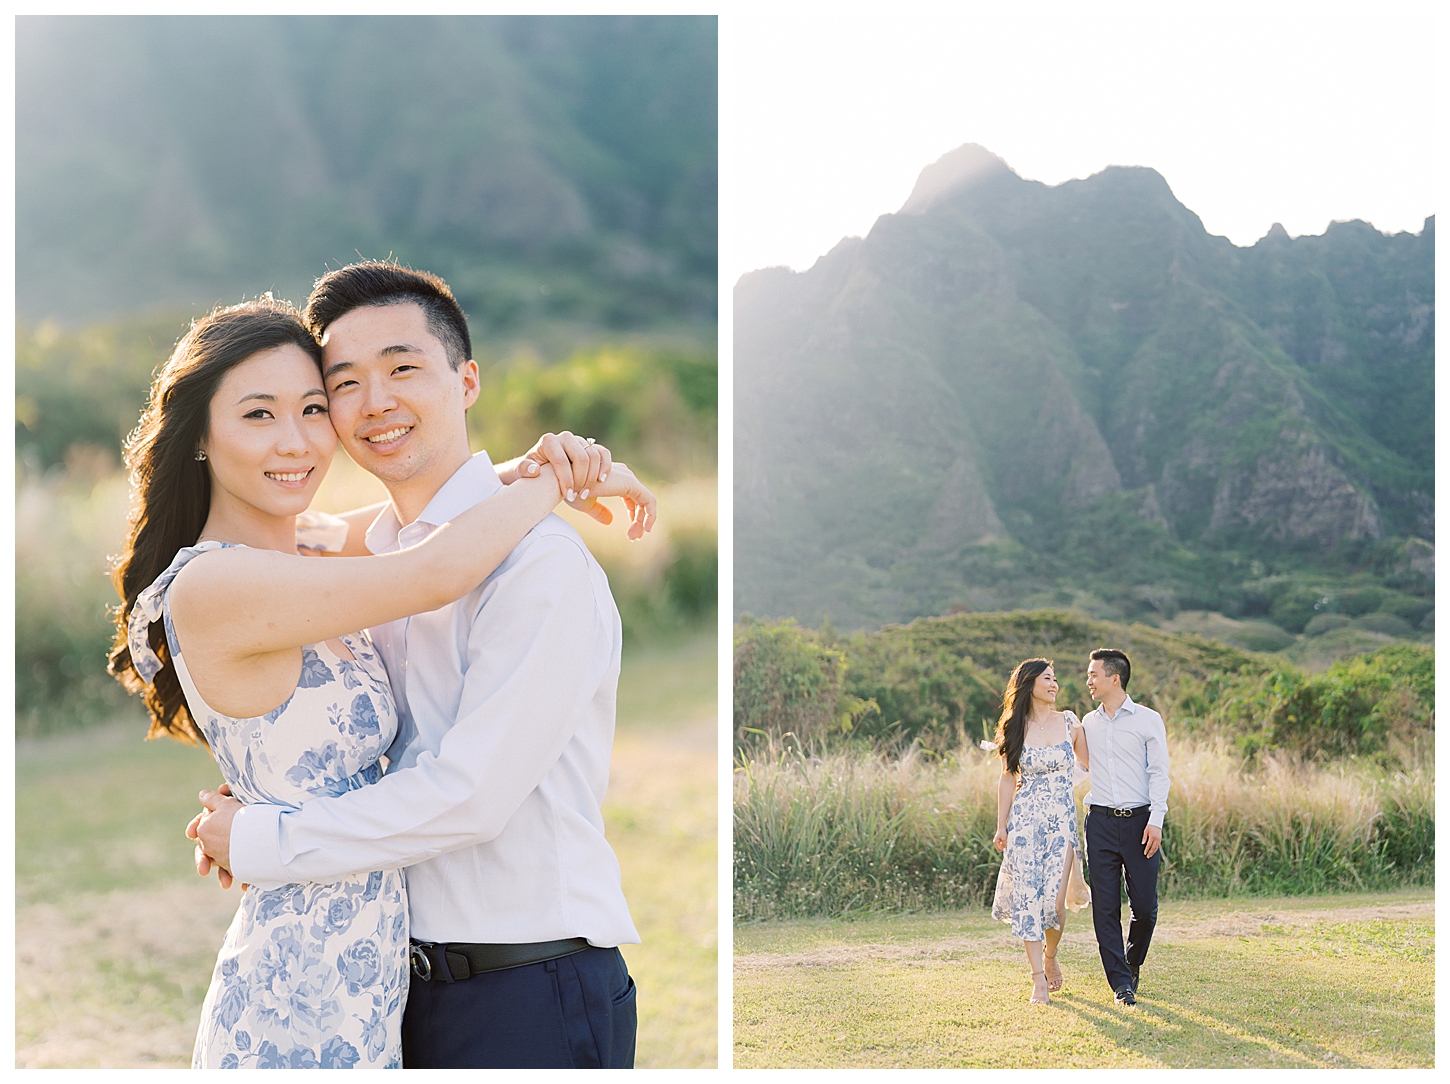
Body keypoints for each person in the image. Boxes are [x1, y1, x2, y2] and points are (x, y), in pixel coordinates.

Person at [108, 293, 653, 1068]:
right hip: (314, 987)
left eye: (310, 408)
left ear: (465, 380)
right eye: (259, 415)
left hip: (471, 983)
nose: (296, 440)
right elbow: (434, 568)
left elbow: (420, 526)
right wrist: (552, 479)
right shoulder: (223, 585)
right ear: (200, 435)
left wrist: (543, 468)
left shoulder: (321, 553)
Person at [990, 658, 1091, 1004]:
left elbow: (1092, 766)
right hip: (1024, 824)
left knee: (1054, 904)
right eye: (1047, 678)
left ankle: (1050, 956)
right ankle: (1038, 980)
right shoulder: (1014, 728)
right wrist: (1001, 825)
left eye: (1055, 679)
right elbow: (1007, 778)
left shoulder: (1070, 723)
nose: (1054, 684)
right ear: (1030, 683)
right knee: (1028, 902)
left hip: (1061, 822)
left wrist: (1066, 786)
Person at [1081, 647, 1170, 1006]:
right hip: (1099, 823)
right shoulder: (1087, 723)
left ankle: (1132, 964)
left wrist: (1156, 820)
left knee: (1145, 908)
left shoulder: (1149, 720)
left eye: (1093, 675)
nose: (1088, 680)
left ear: (1114, 678)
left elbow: (1159, 774)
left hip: (1140, 823)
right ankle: (1121, 984)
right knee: (1104, 907)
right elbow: (1080, 767)